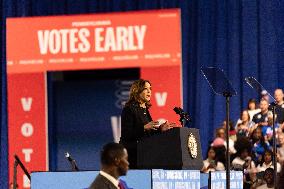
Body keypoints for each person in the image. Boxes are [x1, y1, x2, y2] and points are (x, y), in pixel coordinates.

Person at [119, 79, 175, 168]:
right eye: (146, 88)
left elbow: (147, 135)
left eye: (150, 89)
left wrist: (160, 129)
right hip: (131, 157)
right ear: (137, 91)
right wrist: (144, 127)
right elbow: (126, 134)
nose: (149, 91)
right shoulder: (129, 109)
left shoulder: (145, 110)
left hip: (144, 155)